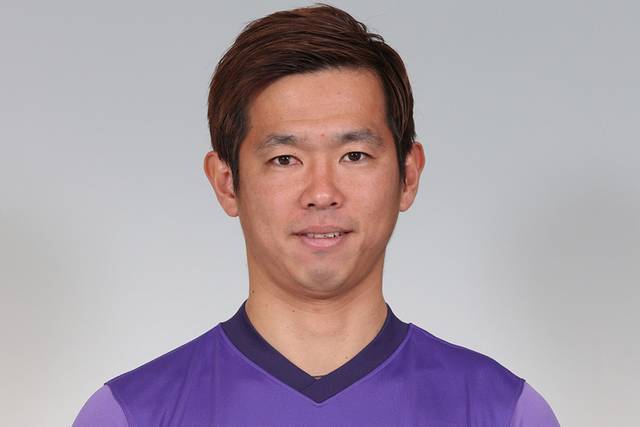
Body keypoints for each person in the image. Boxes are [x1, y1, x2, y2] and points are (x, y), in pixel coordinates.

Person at [73, 4, 560, 426]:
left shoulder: (502, 412)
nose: (322, 193)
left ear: (408, 175)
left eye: (354, 155)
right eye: (285, 159)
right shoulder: (131, 415)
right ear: (226, 183)